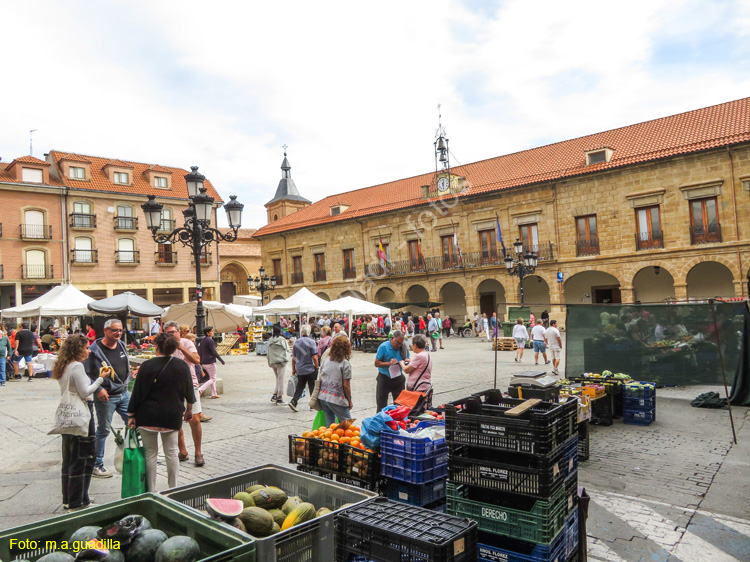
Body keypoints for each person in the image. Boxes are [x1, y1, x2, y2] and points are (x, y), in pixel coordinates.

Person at [127, 332, 195, 492]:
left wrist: (131, 415)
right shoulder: (181, 365)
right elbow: (189, 391)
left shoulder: (147, 366)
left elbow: (137, 392)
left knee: (150, 454)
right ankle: (173, 489)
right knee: (171, 452)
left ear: (156, 346)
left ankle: (151, 491)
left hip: (148, 415)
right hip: (171, 415)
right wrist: (189, 409)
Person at [52, 334, 105, 511]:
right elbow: (85, 392)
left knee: (69, 457)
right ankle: (78, 499)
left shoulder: (64, 365)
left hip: (68, 414)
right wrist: (101, 378)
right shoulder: (77, 367)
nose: (88, 350)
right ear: (78, 349)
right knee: (84, 456)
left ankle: (69, 497)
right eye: (86, 347)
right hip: (81, 413)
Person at [84, 318, 130, 478]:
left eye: (120, 330)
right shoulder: (93, 350)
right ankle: (97, 465)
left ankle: (131, 457)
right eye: (114, 330)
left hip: (124, 394)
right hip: (106, 396)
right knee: (103, 430)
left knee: (134, 422)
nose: (118, 333)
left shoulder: (122, 345)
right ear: (105, 330)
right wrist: (98, 389)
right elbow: (86, 373)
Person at [163, 321, 206, 466]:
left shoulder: (187, 343)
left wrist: (179, 347)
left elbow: (196, 360)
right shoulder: (163, 346)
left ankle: (198, 452)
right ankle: (183, 451)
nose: (171, 335)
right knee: (177, 420)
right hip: (171, 386)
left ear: (179, 333)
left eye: (173, 332)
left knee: (194, 419)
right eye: (168, 333)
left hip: (190, 384)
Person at [318, 336, 354, 426]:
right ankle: (346, 440)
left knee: (330, 426)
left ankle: (329, 440)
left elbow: (321, 377)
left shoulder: (326, 360)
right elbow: (346, 385)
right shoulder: (345, 363)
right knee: (347, 425)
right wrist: (349, 400)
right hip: (336, 398)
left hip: (323, 396)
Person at [374, 330, 409, 411]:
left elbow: (407, 358)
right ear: (392, 338)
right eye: (397, 343)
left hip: (398, 378)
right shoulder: (383, 347)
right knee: (381, 405)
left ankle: (397, 421)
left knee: (399, 405)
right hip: (384, 377)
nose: (399, 345)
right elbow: (376, 363)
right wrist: (388, 363)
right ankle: (381, 421)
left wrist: (405, 361)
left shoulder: (403, 347)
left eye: (401, 343)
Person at [289, 324, 319, 412]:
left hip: (300, 369)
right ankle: (312, 405)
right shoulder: (311, 342)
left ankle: (294, 401)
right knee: (312, 386)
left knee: (300, 386)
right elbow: (314, 357)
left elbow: (293, 358)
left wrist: (293, 368)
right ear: (309, 332)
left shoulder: (296, 342)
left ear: (301, 332)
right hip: (310, 368)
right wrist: (316, 367)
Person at [197, 326, 225, 399]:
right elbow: (213, 351)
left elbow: (200, 351)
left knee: (212, 377)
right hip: (210, 361)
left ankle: (214, 393)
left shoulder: (203, 340)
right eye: (211, 331)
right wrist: (221, 360)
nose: (213, 332)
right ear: (208, 333)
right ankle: (200, 389)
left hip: (204, 361)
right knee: (213, 378)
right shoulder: (210, 340)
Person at [267, 324, 290, 405]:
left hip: (273, 362)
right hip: (281, 362)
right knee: (282, 380)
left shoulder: (270, 340)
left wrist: (269, 362)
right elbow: (287, 349)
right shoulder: (282, 339)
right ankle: (280, 397)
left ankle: (275, 395)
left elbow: (268, 352)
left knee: (278, 379)